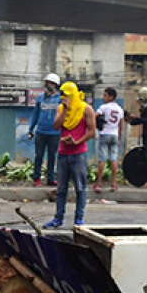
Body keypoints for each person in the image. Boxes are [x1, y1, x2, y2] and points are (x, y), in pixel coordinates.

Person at [43, 81, 95, 229]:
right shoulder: (60, 108)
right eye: (62, 95)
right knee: (61, 189)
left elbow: (91, 131)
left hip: (79, 154)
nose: (63, 97)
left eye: (66, 95)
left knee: (80, 188)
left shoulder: (86, 109)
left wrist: (78, 141)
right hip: (63, 153)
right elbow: (56, 125)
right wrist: (65, 109)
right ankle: (58, 218)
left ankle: (79, 219)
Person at [26, 73, 61, 186]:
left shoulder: (60, 98)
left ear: (54, 84)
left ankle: (50, 178)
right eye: (46, 83)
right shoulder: (41, 97)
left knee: (52, 156)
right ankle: (37, 178)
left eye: (49, 83)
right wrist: (31, 129)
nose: (46, 85)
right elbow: (35, 114)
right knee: (39, 156)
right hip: (41, 131)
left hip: (54, 132)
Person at [94, 87, 124, 193]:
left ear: (111, 97)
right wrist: (119, 138)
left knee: (102, 159)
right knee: (114, 159)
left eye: (105, 95)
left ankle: (99, 183)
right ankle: (114, 183)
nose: (103, 97)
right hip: (115, 135)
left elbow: (94, 116)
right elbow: (120, 125)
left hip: (105, 134)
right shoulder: (120, 109)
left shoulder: (104, 107)